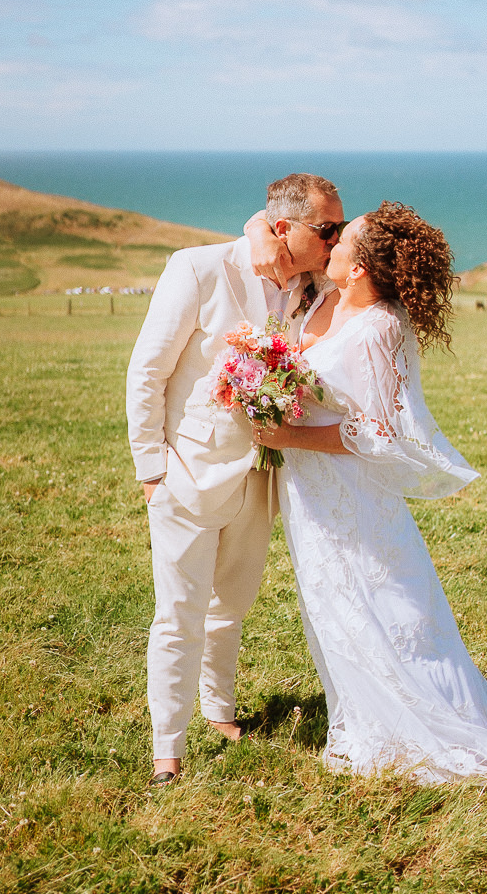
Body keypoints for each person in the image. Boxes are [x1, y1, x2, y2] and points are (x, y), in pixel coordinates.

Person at [249, 202, 487, 796]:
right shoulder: (322, 297)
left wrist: (288, 435)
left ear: (358, 268)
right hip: (311, 490)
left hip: (352, 490)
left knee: (384, 604)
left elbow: (380, 431)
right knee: (332, 606)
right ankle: (359, 722)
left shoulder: (382, 327)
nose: (328, 244)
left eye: (340, 241)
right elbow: (268, 221)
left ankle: (419, 727)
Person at [126, 172, 346, 786]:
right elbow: (147, 372)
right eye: (325, 228)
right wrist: (152, 471)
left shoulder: (314, 283)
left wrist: (280, 239)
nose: (335, 238)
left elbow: (361, 270)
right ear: (283, 227)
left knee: (233, 604)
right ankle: (166, 748)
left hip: (263, 476)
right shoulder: (198, 269)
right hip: (186, 472)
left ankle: (218, 709)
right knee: (179, 613)